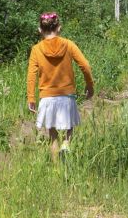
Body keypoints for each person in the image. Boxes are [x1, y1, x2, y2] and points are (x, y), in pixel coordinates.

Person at [26, 13, 94, 160]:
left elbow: (31, 75)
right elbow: (86, 66)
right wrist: (89, 85)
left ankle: (57, 169)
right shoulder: (68, 44)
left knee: (52, 135)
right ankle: (66, 144)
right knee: (69, 127)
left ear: (40, 29)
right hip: (66, 94)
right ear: (59, 28)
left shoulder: (36, 49)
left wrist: (31, 97)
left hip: (47, 97)